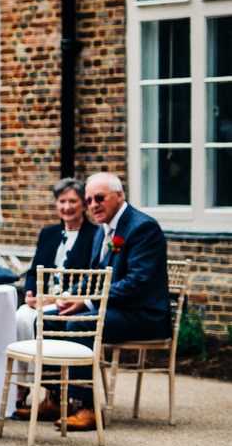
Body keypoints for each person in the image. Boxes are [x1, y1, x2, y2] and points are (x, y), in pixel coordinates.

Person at [50, 172, 171, 431]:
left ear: (119, 196)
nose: (93, 205)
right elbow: (94, 276)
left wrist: (87, 303)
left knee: (80, 325)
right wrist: (68, 297)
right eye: (90, 199)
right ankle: (55, 398)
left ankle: (88, 408)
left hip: (143, 315)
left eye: (100, 198)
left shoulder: (142, 228)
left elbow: (137, 283)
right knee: (49, 318)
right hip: (114, 309)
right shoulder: (103, 229)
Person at [12, 177, 94, 418]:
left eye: (72, 201)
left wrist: (53, 300)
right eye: (62, 201)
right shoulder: (49, 233)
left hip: (69, 301)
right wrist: (30, 293)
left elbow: (90, 276)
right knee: (21, 318)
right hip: (42, 299)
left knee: (41, 321)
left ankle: (52, 392)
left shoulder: (94, 235)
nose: (67, 207)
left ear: (83, 205)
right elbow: (34, 267)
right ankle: (24, 388)